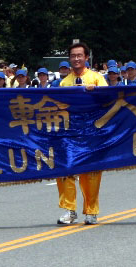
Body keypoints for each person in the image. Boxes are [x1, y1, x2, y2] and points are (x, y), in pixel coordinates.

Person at [56, 41, 108, 225]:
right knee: (65, 170)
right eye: (73, 56)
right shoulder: (64, 82)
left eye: (79, 55)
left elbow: (107, 99)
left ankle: (91, 211)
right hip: (70, 132)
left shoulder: (97, 78)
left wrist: (96, 93)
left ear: (86, 57)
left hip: (92, 133)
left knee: (91, 173)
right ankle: (69, 210)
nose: (76, 59)